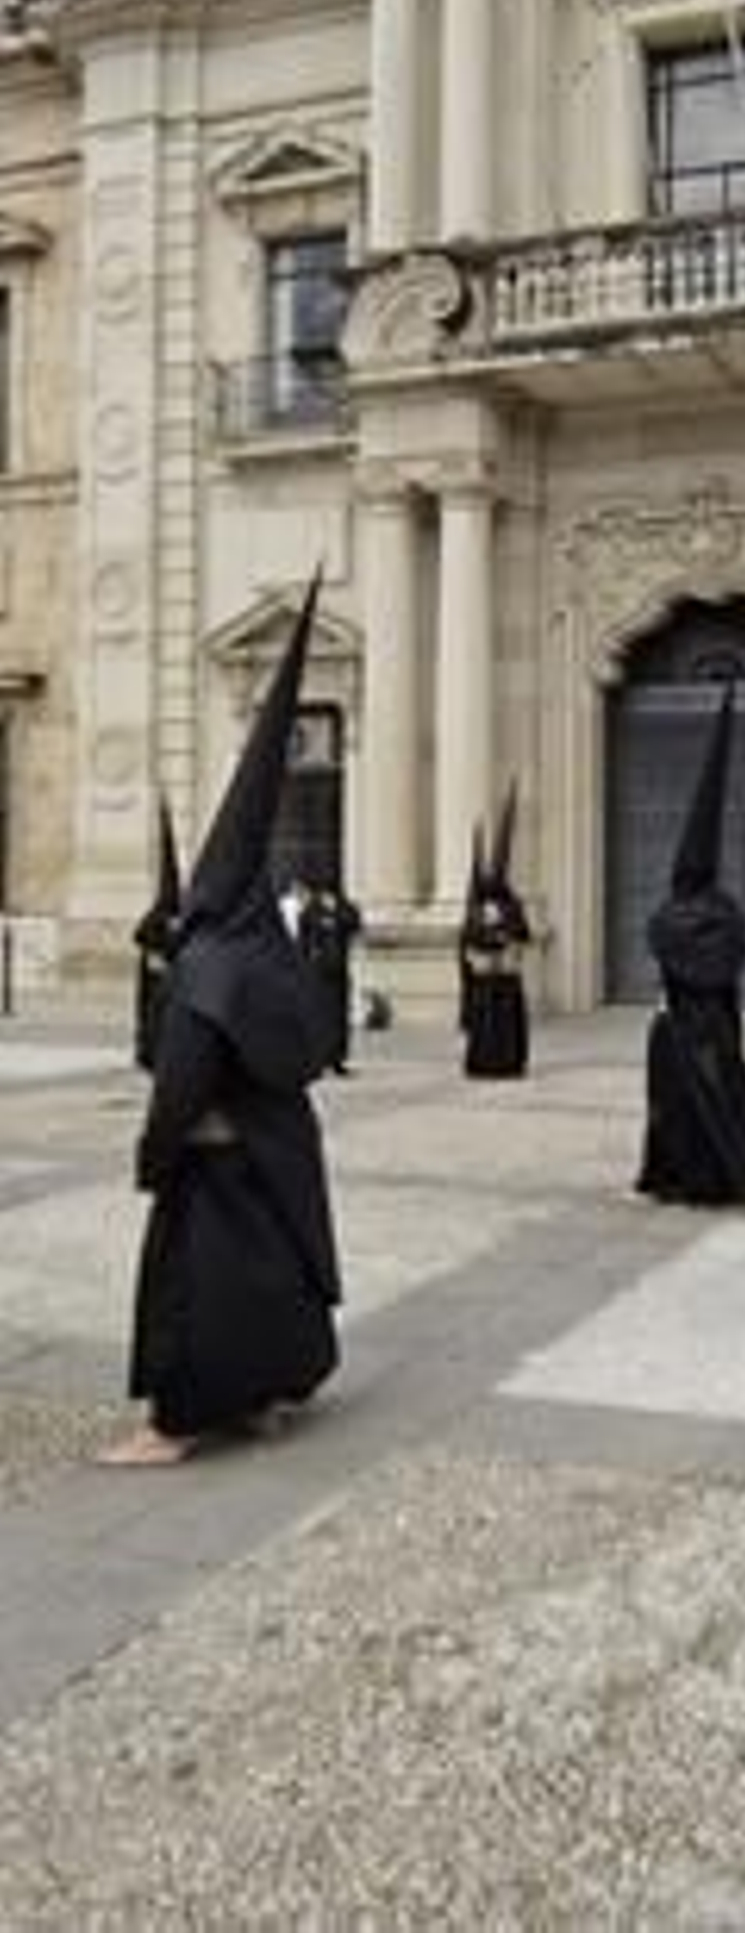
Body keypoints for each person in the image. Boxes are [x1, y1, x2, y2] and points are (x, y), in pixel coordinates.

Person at [101, 578, 341, 1467]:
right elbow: (314, 1045)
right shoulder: (269, 953)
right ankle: (271, 1393)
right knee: (276, 1274)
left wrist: (154, 1152)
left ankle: (180, 1422)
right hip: (278, 1156)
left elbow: (184, 1075)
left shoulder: (207, 964)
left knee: (196, 1293)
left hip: (214, 1159)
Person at [635, 684, 745, 1207]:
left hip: (681, 1025)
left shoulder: (671, 916)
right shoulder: (727, 913)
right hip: (714, 1025)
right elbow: (725, 960)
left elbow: (663, 946)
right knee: (707, 1101)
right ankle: (709, 1175)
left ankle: (689, 1177)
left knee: (683, 1103)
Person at [459, 784, 531, 1080]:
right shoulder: (475, 909)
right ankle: (484, 1062)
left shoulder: (511, 906)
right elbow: (468, 939)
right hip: (485, 979)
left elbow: (523, 934)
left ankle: (508, 1062)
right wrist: (485, 945)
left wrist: (508, 940)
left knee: (506, 1022)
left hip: (506, 978)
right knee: (484, 1023)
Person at [132, 794, 183, 1073]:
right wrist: (153, 954)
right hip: (153, 979)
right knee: (150, 1016)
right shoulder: (155, 917)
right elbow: (139, 936)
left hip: (169, 979)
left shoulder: (179, 916)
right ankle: (146, 1052)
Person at [298, 878, 363, 1076]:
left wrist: (337, 912)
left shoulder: (343, 908)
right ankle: (317, 1060)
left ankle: (337, 1059)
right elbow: (304, 942)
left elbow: (354, 925)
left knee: (338, 1020)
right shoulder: (311, 911)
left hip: (338, 973)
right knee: (319, 1019)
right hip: (318, 975)